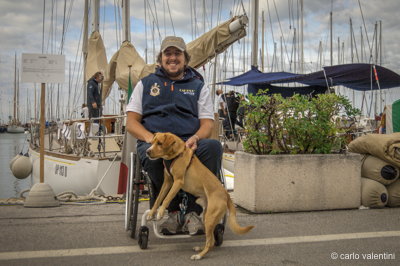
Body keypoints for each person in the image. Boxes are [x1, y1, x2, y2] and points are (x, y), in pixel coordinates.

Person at [126, 36, 222, 235]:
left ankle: (194, 213)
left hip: (188, 143)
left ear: (185, 58)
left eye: (177, 53)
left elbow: (207, 124)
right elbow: (131, 122)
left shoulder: (198, 86)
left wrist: (196, 138)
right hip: (155, 140)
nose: (172, 58)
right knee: (153, 157)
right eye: (167, 54)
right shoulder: (145, 84)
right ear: (160, 59)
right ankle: (171, 211)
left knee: (213, 148)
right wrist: (149, 138)